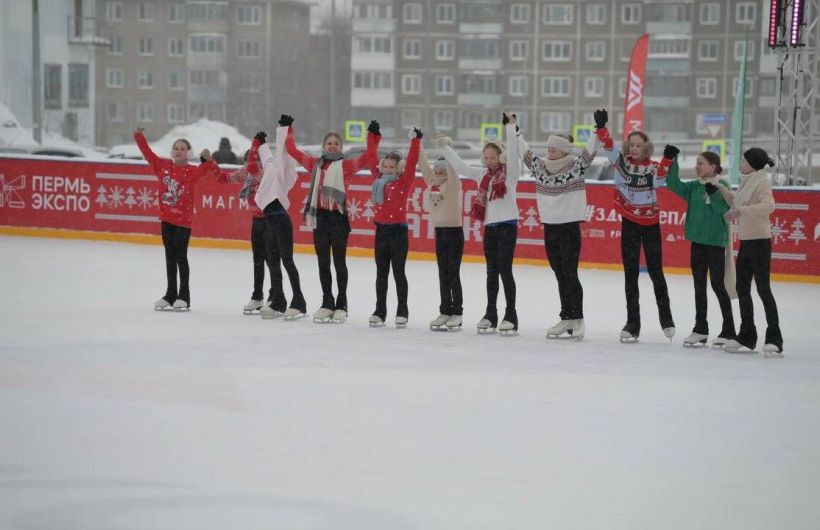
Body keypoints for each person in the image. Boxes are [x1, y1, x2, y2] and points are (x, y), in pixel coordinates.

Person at [284, 115, 380, 323]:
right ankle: (327, 302)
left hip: (338, 218)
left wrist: (373, 136)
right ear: (323, 146)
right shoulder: (314, 164)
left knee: (339, 262)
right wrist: (287, 128)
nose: (333, 146)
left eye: (337, 143)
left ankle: (341, 303)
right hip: (320, 218)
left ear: (341, 147)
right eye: (330, 143)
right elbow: (292, 151)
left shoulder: (346, 166)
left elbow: (369, 157)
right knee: (323, 262)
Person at [517, 117, 604, 341]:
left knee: (570, 273)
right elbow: (524, 151)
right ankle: (566, 317)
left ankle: (578, 318)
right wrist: (514, 131)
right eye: (548, 147)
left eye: (554, 148)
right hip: (550, 227)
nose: (550, 151)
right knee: (559, 274)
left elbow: (590, 151)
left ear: (565, 150)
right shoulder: (540, 168)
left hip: (569, 227)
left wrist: (598, 129)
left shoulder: (576, 166)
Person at [594, 111, 675, 342]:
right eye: (632, 144)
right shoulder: (622, 163)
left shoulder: (653, 168)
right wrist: (602, 128)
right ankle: (632, 323)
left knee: (655, 271)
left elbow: (661, 179)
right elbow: (609, 147)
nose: (634, 148)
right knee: (630, 274)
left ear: (646, 148)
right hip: (629, 222)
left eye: (639, 145)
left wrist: (668, 159)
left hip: (650, 224)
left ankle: (666, 318)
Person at [442, 112, 521, 335]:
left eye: (492, 158)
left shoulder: (510, 174)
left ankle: (511, 314)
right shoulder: (482, 176)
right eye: (485, 158)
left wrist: (510, 126)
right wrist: (445, 148)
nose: (488, 162)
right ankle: (491, 313)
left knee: (505, 271)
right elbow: (461, 167)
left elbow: (514, 152)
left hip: (507, 226)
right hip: (490, 228)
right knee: (491, 272)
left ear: (500, 157)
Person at [134, 127, 219, 311]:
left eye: (183, 148)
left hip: (183, 222)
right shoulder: (162, 166)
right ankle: (170, 294)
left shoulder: (192, 171)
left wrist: (209, 158)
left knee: (181, 257)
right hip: (166, 220)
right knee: (169, 258)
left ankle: (184, 296)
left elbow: (209, 166)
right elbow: (147, 153)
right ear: (172, 152)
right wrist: (139, 136)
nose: (179, 150)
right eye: (176, 147)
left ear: (188, 153)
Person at [665, 150, 737, 347]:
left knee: (717, 284)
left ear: (713, 166)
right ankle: (700, 329)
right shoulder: (694, 187)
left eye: (701, 163)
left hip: (715, 242)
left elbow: (726, 211)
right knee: (699, 286)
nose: (697, 167)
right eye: (696, 163)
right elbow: (673, 184)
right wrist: (673, 161)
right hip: (697, 241)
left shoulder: (722, 186)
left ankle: (729, 329)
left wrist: (714, 195)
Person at [723, 148, 784, 356]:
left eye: (744, 161)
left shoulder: (761, 183)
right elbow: (736, 200)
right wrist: (719, 187)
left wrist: (742, 211)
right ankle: (747, 335)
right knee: (742, 288)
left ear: (753, 163)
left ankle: (774, 337)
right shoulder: (747, 182)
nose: (741, 163)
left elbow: (769, 205)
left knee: (763, 289)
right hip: (747, 243)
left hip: (760, 243)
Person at [367, 128, 422, 328]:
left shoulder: (403, 182)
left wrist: (416, 140)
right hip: (381, 231)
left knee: (399, 272)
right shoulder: (377, 180)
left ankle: (402, 310)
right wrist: (372, 136)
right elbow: (371, 154)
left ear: (399, 168)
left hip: (398, 232)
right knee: (381, 273)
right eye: (386, 166)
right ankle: (380, 310)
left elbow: (413, 160)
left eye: (392, 166)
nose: (388, 169)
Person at [215, 139, 277, 314]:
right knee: (258, 260)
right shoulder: (247, 173)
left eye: (256, 159)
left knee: (271, 261)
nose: (253, 163)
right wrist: (210, 162)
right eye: (250, 159)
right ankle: (257, 297)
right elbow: (224, 178)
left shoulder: (268, 173)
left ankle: (275, 295)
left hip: (272, 221)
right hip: (257, 221)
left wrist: (258, 146)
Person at [254, 118, 308, 320]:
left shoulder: (281, 173)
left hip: (281, 222)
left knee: (287, 261)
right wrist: (260, 144)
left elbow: (281, 154)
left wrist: (284, 130)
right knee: (273, 262)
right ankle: (278, 300)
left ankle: (299, 301)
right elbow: (269, 158)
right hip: (269, 222)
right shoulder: (269, 170)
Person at [419, 135, 464, 331]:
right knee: (443, 273)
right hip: (440, 232)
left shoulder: (453, 185)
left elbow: (453, 168)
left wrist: (448, 147)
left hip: (454, 232)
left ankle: (457, 312)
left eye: (441, 171)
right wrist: (418, 145)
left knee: (453, 273)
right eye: (436, 170)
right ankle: (445, 310)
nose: (437, 173)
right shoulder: (433, 183)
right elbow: (424, 167)